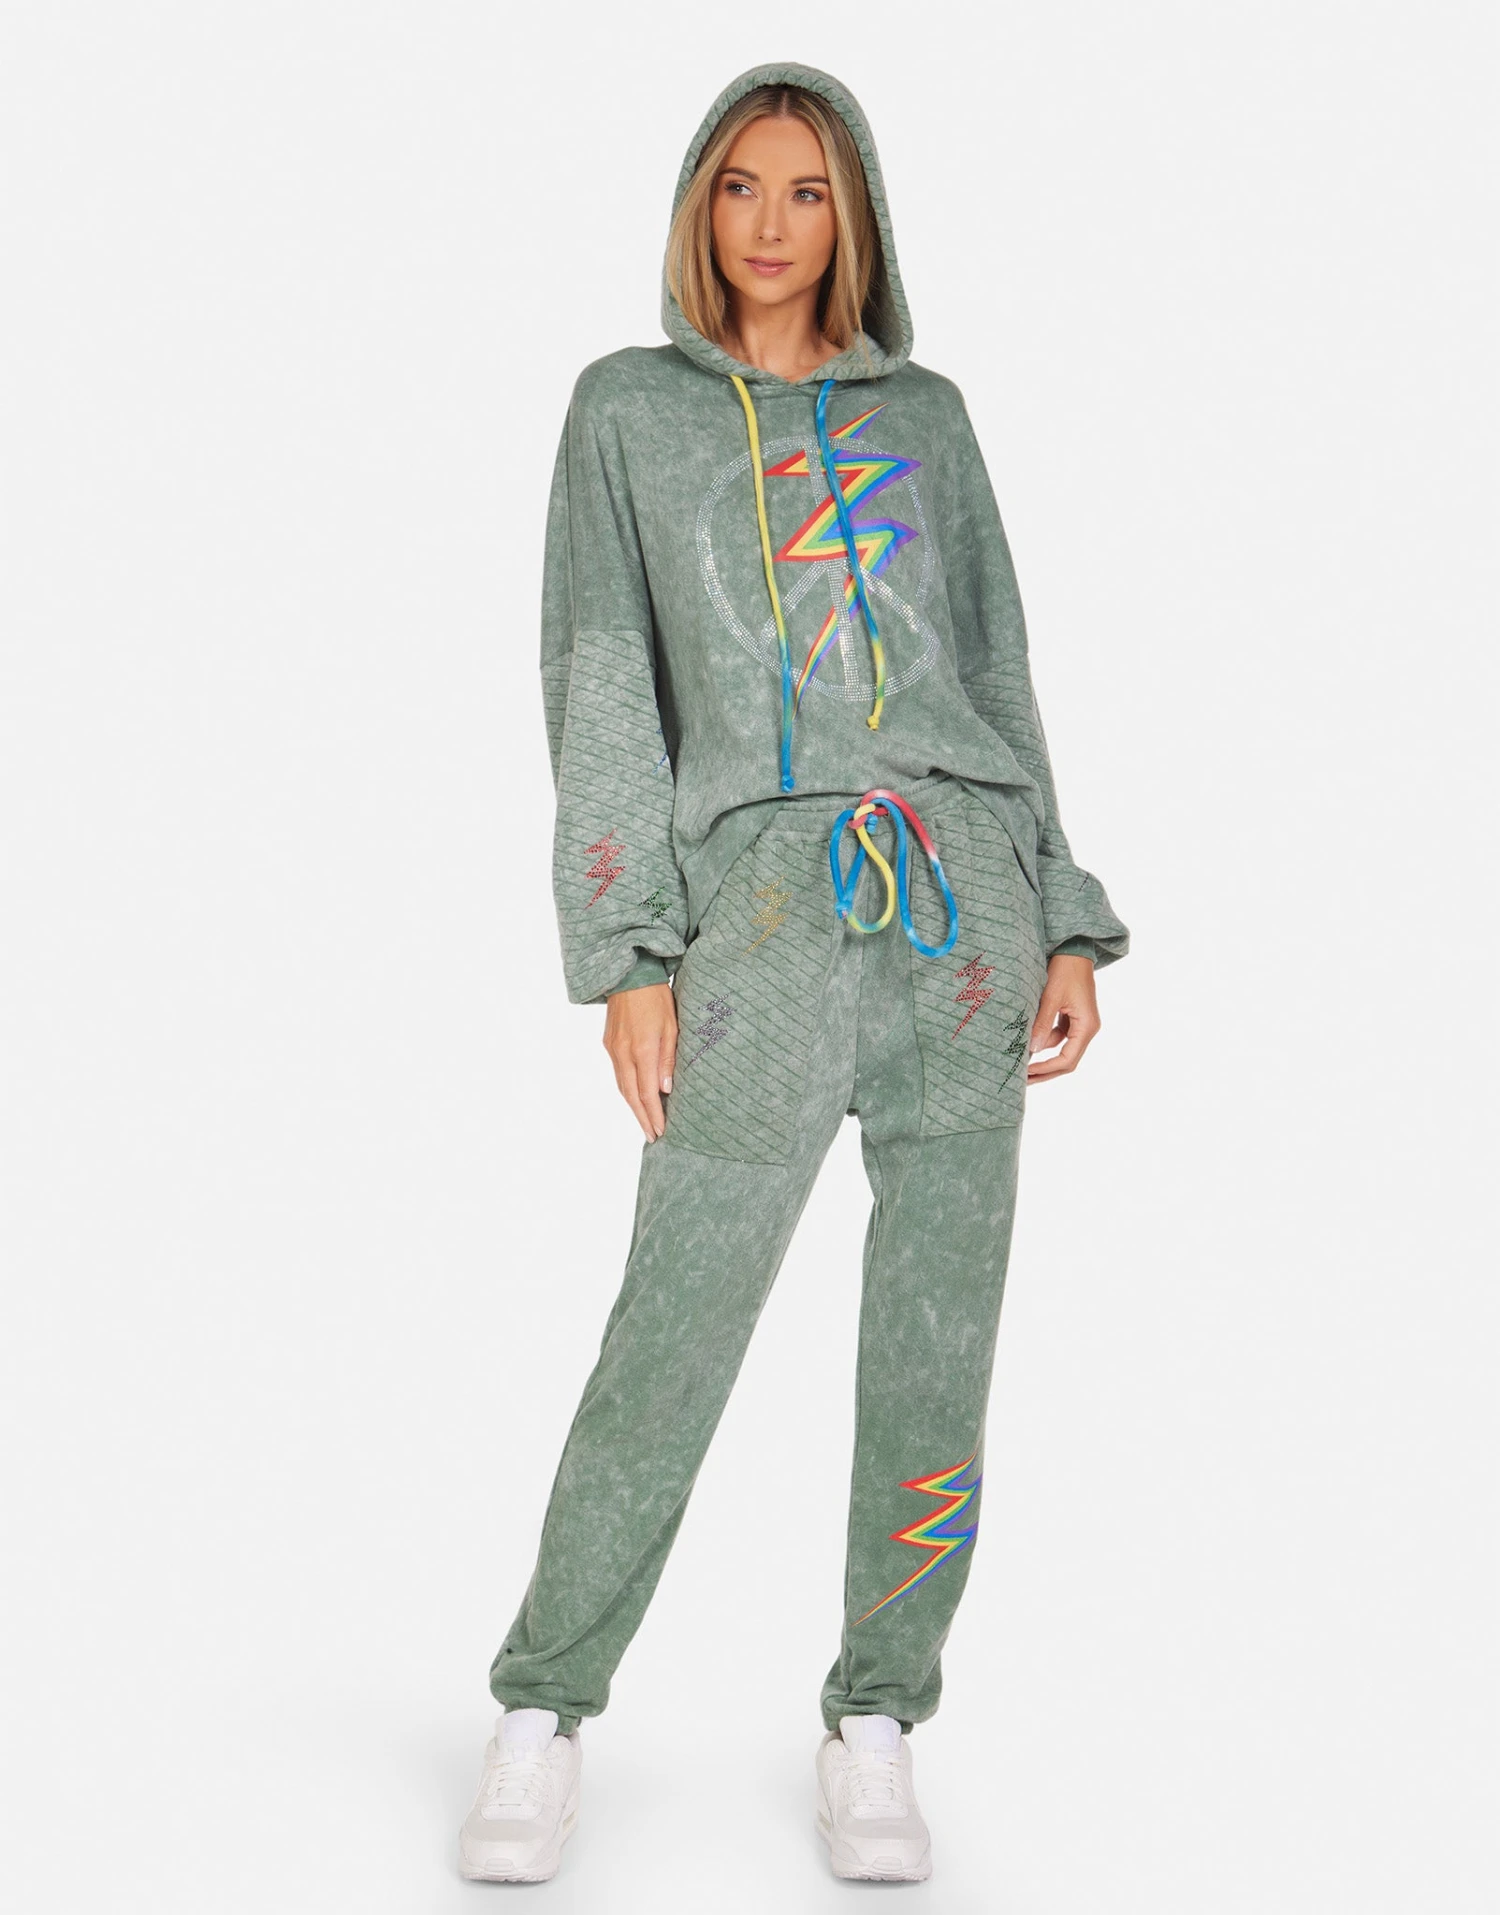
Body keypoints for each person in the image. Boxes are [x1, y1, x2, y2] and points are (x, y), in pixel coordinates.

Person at [458, 61, 1130, 1885]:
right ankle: (543, 1705)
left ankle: (880, 1717)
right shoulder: (628, 414)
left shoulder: (932, 420)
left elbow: (997, 671)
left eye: (808, 191)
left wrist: (1061, 909)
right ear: (702, 200)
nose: (770, 224)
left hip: (963, 914)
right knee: (671, 1329)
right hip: (755, 920)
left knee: (937, 1337)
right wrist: (628, 950)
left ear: (858, 216)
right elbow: (602, 681)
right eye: (742, 186)